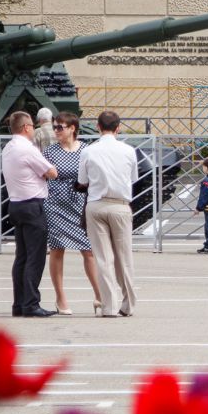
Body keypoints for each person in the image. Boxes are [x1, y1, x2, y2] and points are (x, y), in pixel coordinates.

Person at [79, 110, 140, 316]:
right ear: (118, 128)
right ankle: (128, 304)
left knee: (103, 259)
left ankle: (109, 306)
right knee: (124, 257)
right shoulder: (128, 150)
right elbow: (132, 178)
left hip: (96, 204)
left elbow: (83, 180)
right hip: (121, 204)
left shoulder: (88, 151)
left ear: (97, 127)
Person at [1, 111, 59, 315]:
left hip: (15, 204)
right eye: (32, 126)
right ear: (26, 128)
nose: (33, 129)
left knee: (22, 257)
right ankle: (31, 304)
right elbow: (51, 172)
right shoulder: (27, 148)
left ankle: (19, 304)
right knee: (35, 257)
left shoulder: (8, 147)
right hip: (32, 205)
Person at [43, 113, 98, 314]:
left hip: (80, 202)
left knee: (88, 250)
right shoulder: (50, 151)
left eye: (60, 127)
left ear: (72, 128)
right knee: (57, 249)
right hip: (55, 204)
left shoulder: (86, 150)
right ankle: (60, 298)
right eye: (55, 127)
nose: (56, 130)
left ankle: (99, 295)